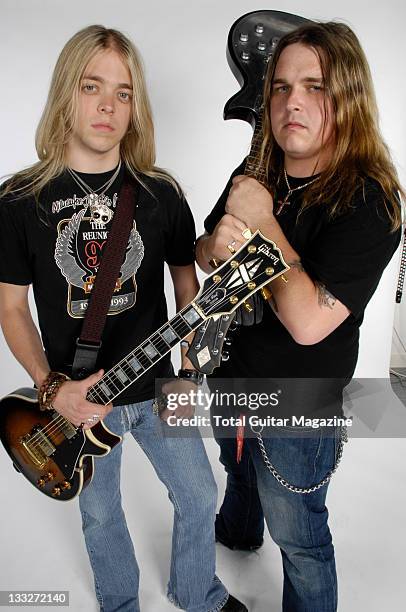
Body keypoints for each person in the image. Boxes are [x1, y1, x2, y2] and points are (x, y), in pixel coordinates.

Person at [0, 25, 247, 612]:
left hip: (162, 386)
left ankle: (198, 593)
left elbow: (189, 292)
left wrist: (191, 368)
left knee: (199, 495)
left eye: (124, 92)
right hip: (78, 402)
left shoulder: (160, 193)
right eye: (92, 86)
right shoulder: (18, 201)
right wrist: (52, 389)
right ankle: (119, 603)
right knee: (101, 512)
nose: (108, 105)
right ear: (68, 92)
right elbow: (11, 308)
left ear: (136, 108)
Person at [195, 21, 403, 612]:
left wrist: (263, 226)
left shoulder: (372, 201)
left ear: (348, 96)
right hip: (231, 375)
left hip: (299, 403)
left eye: (314, 86)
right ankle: (238, 531)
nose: (292, 103)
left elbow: (310, 323)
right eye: (281, 87)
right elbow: (202, 248)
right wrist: (217, 244)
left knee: (299, 536)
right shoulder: (259, 166)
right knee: (235, 467)